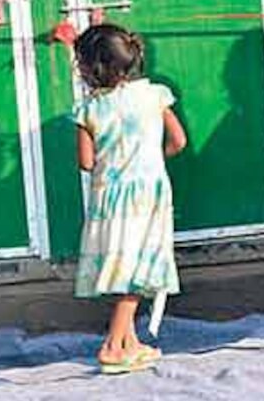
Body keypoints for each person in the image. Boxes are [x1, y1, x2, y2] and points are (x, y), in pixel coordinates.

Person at [71, 23, 187, 374]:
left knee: (123, 265)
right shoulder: (154, 96)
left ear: (94, 69)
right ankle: (111, 346)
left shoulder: (88, 111)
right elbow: (178, 141)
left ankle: (129, 343)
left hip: (109, 199)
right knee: (138, 270)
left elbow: (86, 162)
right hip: (148, 194)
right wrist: (150, 160)